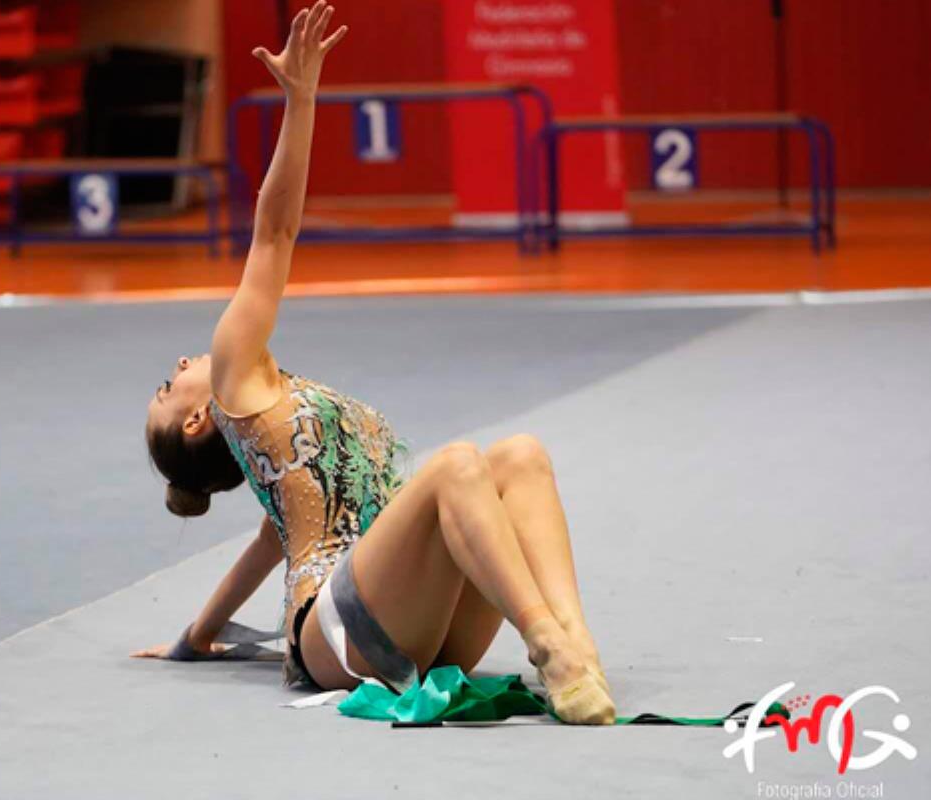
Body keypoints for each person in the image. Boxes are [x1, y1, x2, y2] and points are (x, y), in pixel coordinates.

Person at [132, 1, 615, 724]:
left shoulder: (272, 436)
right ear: (201, 417)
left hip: (416, 622)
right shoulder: (236, 371)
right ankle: (547, 641)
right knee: (455, 465)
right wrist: (301, 101)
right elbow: (275, 231)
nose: (178, 362)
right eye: (169, 386)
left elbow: (272, 542)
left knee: (519, 455)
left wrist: (196, 637)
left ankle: (579, 651)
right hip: (336, 634)